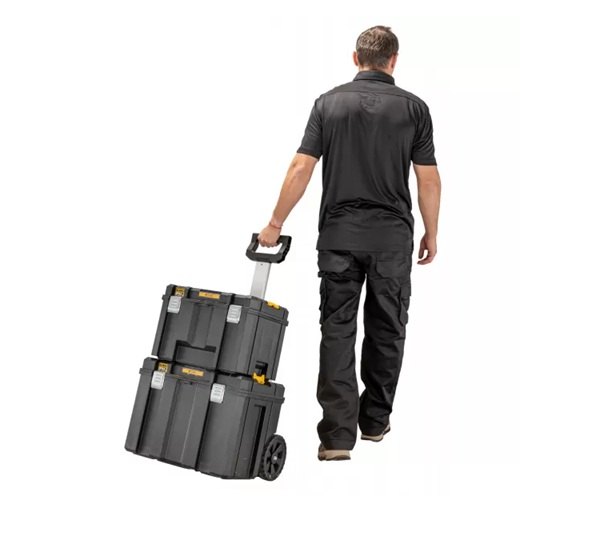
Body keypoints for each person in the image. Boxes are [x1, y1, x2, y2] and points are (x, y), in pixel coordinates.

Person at [257, 25, 441, 461]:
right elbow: (428, 179)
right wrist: (431, 232)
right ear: (393, 61)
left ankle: (337, 437)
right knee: (388, 328)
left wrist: (275, 223)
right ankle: (374, 422)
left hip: (339, 238)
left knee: (337, 331)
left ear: (355, 58)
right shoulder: (414, 109)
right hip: (391, 241)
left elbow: (301, 168)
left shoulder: (328, 104)